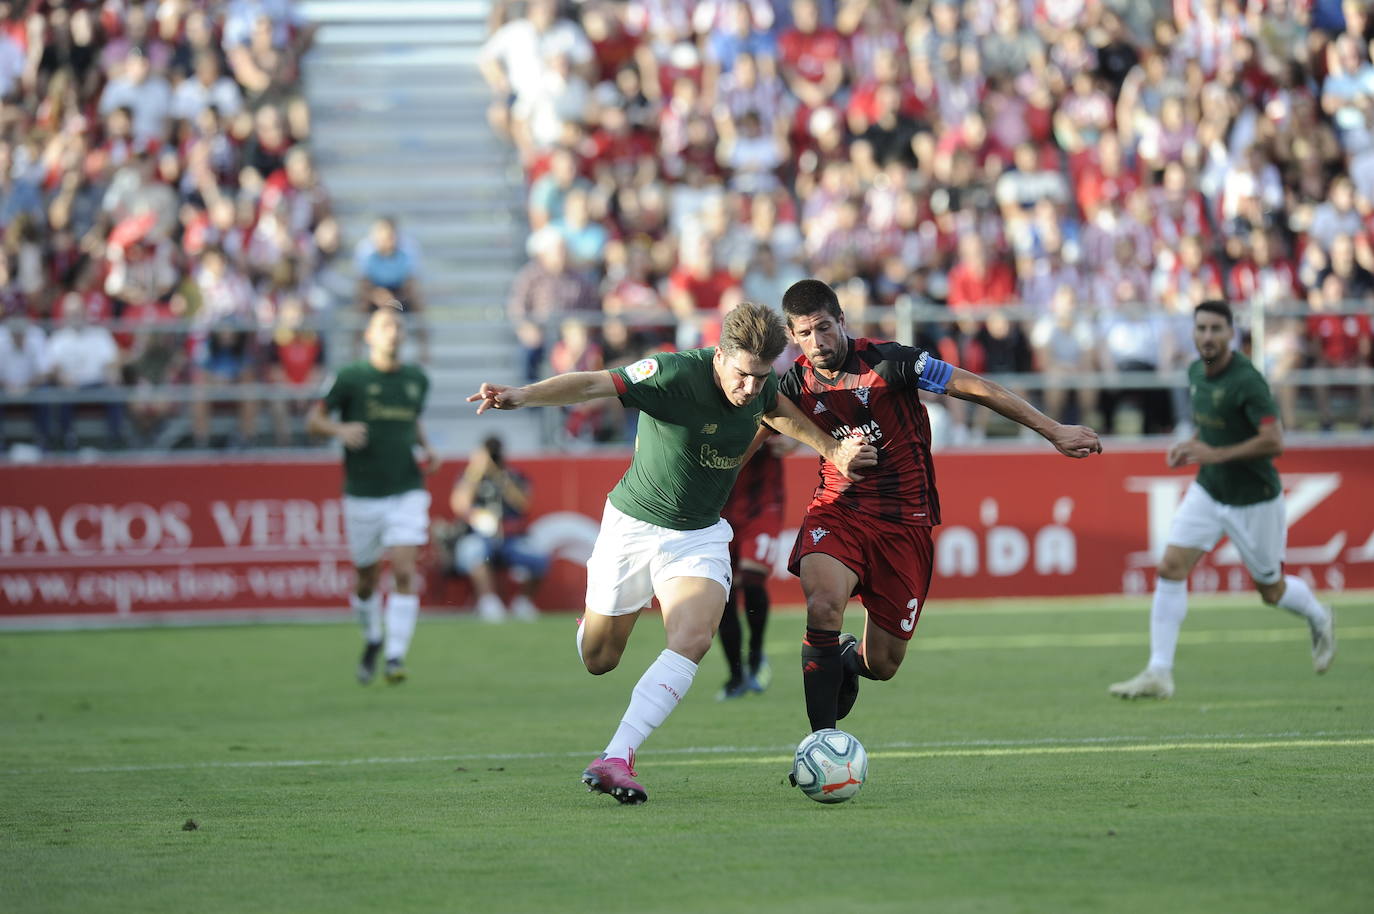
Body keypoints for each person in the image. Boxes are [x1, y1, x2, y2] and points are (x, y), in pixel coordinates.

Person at [467, 302, 876, 804]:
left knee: (693, 637)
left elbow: (779, 413)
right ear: (721, 355)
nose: (751, 388)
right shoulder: (671, 372)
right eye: (744, 376)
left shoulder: (761, 384)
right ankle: (594, 623)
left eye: (761, 377)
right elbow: (593, 384)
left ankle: (617, 756)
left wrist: (833, 450)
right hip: (632, 527)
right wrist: (521, 396)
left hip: (699, 535)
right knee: (599, 659)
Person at [775, 279, 1102, 738]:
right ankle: (819, 745)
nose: (818, 342)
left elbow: (976, 387)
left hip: (904, 521)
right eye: (805, 334)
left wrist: (1052, 430)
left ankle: (847, 660)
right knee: (823, 605)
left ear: (841, 321)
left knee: (884, 663)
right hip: (838, 509)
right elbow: (760, 417)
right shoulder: (793, 382)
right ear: (792, 336)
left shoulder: (892, 361)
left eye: (824, 328)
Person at [1108, 301, 1336, 699]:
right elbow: (1213, 432)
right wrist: (1192, 446)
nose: (1208, 336)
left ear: (1232, 333)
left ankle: (1319, 616)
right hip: (1210, 489)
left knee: (1271, 590)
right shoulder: (1196, 372)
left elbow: (1274, 440)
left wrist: (1215, 454)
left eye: (1216, 329)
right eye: (1201, 328)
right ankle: (1159, 672)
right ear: (1193, 333)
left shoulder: (1247, 380)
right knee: (1171, 566)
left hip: (1253, 499)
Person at [306, 307, 435, 686]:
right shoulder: (351, 377)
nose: (393, 332)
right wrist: (339, 429)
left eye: (398, 325)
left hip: (407, 487)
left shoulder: (416, 379)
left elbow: (412, 421)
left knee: (404, 570)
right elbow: (313, 421)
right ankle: (373, 639)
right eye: (385, 326)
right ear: (369, 336)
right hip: (363, 493)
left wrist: (428, 448)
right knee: (365, 580)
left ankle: (395, 656)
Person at [715, 427, 794, 700]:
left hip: (762, 505)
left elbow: (794, 433)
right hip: (719, 508)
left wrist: (791, 441)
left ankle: (756, 652)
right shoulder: (712, 402)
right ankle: (736, 675)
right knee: (723, 594)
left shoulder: (767, 397)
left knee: (751, 580)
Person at [450, 435, 550, 623]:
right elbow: (460, 505)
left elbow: (523, 504)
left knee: (539, 557)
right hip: (477, 536)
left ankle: (523, 603)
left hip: (510, 538)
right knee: (474, 551)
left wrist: (499, 476)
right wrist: (475, 471)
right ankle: (489, 602)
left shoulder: (514, 476)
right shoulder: (469, 476)